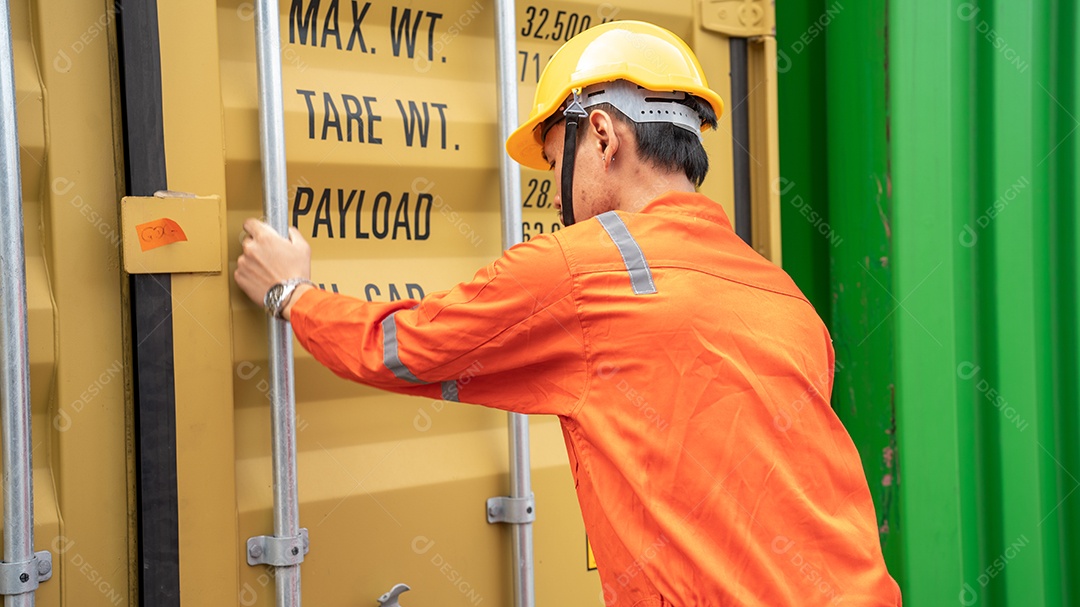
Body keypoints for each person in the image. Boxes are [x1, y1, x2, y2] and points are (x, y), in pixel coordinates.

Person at [235, 20, 902, 607]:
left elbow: (407, 348)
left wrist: (292, 294)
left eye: (554, 162)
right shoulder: (782, 297)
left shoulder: (580, 269)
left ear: (604, 134)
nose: (557, 197)